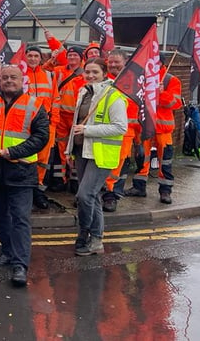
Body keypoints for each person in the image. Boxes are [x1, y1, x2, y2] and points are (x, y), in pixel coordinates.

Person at [0, 65, 49, 287]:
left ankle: (20, 265)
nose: (8, 81)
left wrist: (14, 152)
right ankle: (7, 252)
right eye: (4, 77)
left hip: (21, 170)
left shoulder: (34, 105)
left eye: (13, 77)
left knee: (20, 219)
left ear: (21, 80)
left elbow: (41, 137)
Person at [66, 58, 127, 256]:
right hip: (82, 151)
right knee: (92, 197)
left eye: (95, 72)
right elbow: (75, 124)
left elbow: (120, 127)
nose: (90, 76)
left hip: (100, 155)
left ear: (104, 74)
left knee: (84, 195)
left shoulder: (113, 95)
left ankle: (85, 233)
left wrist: (89, 130)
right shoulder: (83, 92)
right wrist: (69, 150)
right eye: (87, 72)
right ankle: (96, 240)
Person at [125, 56, 182, 204]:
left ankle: (165, 191)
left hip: (162, 129)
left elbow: (175, 103)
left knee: (165, 161)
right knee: (142, 159)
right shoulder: (139, 79)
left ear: (161, 63)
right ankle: (139, 187)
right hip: (143, 127)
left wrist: (160, 93)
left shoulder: (170, 80)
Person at [102, 49, 140, 212]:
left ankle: (112, 196)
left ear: (126, 62)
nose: (113, 65)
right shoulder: (102, 80)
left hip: (125, 133)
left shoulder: (134, 82)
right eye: (110, 62)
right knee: (101, 164)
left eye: (116, 62)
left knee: (117, 166)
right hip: (103, 131)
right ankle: (100, 194)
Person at [24, 46, 58, 210]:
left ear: (40, 58)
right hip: (26, 123)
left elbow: (55, 99)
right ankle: (27, 190)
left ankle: (38, 190)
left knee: (43, 160)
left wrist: (54, 123)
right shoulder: (21, 75)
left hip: (46, 123)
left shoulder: (50, 75)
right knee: (28, 157)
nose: (32, 58)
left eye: (36, 56)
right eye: (29, 55)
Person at [49, 46, 85, 192]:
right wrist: (51, 60)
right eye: (70, 55)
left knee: (76, 149)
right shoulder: (59, 71)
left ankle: (75, 180)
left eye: (75, 55)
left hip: (78, 117)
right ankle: (61, 178)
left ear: (81, 58)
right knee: (62, 148)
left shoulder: (85, 73)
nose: (72, 57)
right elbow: (45, 72)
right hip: (62, 116)